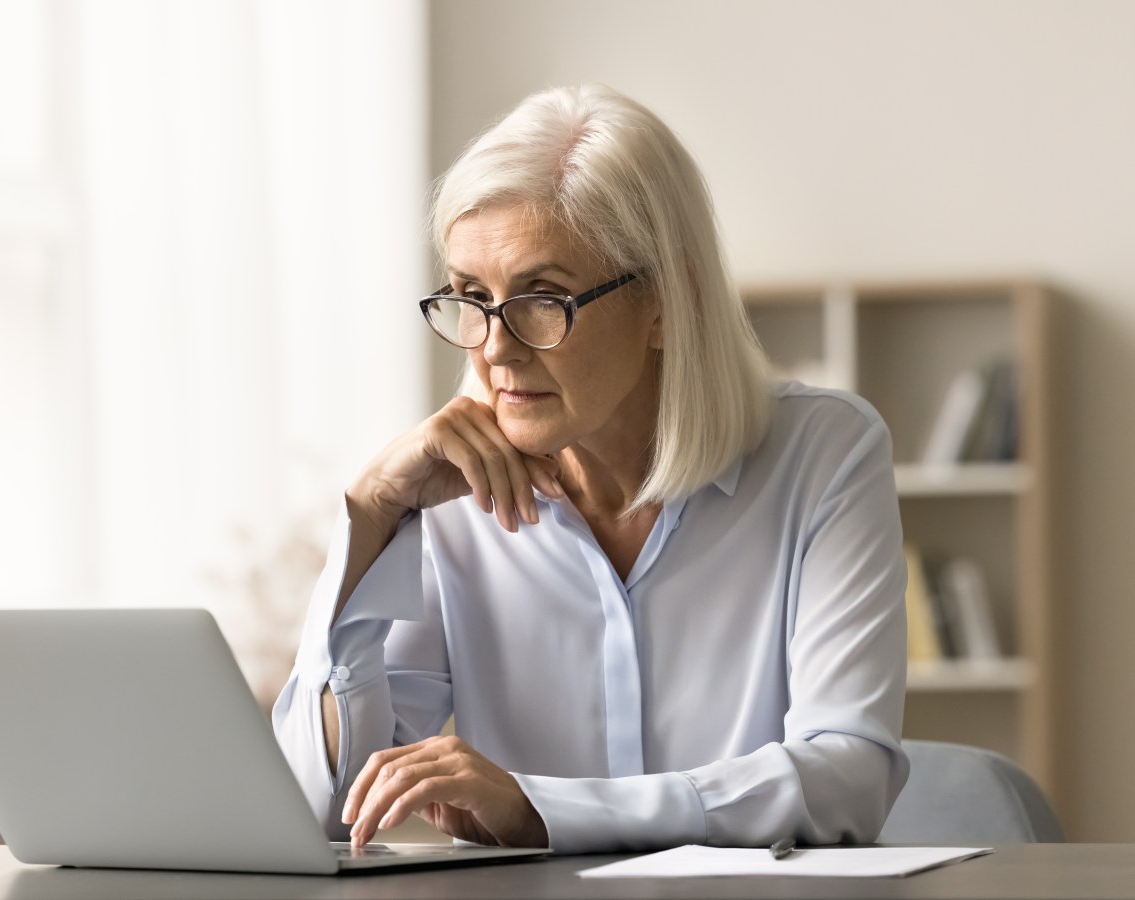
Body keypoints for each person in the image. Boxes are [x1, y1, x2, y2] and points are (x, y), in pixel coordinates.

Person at [272, 84, 909, 854]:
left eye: (543, 297)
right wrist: (371, 516)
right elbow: (320, 812)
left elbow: (847, 779)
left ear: (669, 303)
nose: (496, 347)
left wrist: (542, 810)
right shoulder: (451, 499)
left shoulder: (823, 457)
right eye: (472, 297)